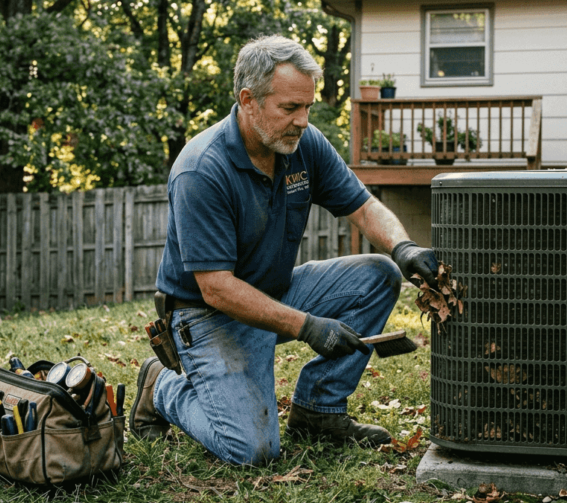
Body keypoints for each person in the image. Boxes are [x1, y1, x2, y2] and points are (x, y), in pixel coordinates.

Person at [130, 35, 439, 465]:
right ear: (248, 100)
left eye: (307, 107)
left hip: (273, 292)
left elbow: (365, 207)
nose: (302, 120)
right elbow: (217, 288)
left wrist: (403, 247)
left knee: (378, 273)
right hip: (206, 316)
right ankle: (161, 386)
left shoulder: (302, 145)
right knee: (252, 450)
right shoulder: (202, 169)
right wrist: (307, 325)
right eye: (289, 108)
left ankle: (319, 409)